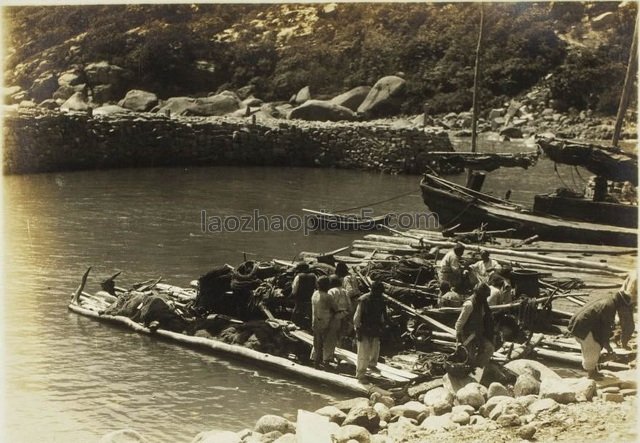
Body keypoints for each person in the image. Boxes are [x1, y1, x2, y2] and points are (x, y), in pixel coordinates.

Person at [567, 282, 635, 380]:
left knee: (594, 346)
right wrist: (608, 347)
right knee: (593, 347)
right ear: (621, 304)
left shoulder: (609, 298)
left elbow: (603, 326)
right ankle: (591, 374)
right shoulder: (609, 306)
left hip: (577, 323)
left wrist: (606, 345)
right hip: (582, 326)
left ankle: (593, 370)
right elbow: (605, 329)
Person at [454, 283, 495, 371]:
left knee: (489, 348)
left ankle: (478, 366)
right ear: (479, 295)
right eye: (484, 296)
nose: (486, 299)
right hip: (468, 335)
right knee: (469, 359)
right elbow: (460, 322)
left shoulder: (483, 304)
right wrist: (458, 336)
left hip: (479, 333)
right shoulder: (469, 304)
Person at [353, 280, 387, 381]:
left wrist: (382, 325)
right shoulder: (364, 300)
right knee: (363, 353)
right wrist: (357, 329)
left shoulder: (381, 299)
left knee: (375, 349)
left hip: (375, 327)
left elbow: (382, 315)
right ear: (372, 291)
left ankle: (372, 365)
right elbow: (357, 316)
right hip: (364, 328)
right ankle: (360, 374)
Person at [310, 276, 337, 369]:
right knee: (325, 343)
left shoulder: (315, 294)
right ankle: (323, 363)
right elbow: (335, 308)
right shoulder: (328, 297)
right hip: (325, 322)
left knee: (317, 342)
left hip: (315, 320)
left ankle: (316, 363)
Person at [325, 274, 352, 359]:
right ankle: (333, 355)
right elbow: (350, 306)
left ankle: (326, 357)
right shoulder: (345, 291)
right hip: (342, 316)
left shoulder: (331, 291)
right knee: (337, 337)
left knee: (328, 337)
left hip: (332, 317)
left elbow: (328, 305)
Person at [291, 262, 317, 330]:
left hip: (300, 299)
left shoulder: (298, 276)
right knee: (310, 314)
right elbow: (317, 287)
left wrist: (292, 296)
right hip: (309, 299)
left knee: (296, 314)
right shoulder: (314, 276)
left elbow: (294, 290)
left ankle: (294, 326)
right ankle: (309, 327)